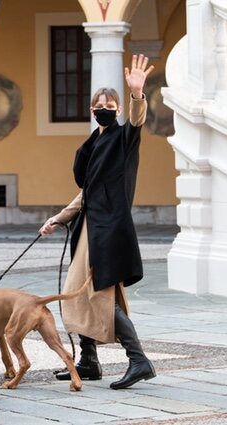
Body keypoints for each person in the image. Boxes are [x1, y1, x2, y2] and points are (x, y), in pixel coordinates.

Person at [40, 54, 156, 390]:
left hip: (107, 230)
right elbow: (88, 193)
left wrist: (136, 94)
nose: (103, 107)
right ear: (92, 109)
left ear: (118, 109)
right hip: (91, 227)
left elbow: (137, 121)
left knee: (97, 295)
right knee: (78, 292)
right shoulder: (94, 143)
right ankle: (89, 361)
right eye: (98, 104)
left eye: (109, 104)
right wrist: (59, 219)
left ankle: (138, 359)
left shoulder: (123, 138)